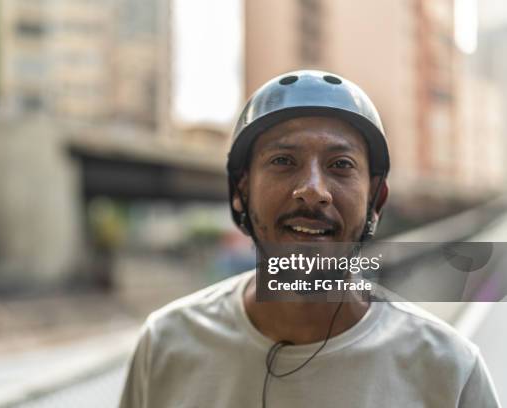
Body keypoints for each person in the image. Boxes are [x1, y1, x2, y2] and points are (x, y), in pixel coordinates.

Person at [118, 70, 501, 407]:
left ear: (376, 200)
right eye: (283, 161)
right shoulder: (165, 345)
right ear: (241, 191)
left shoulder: (450, 370)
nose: (313, 189)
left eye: (341, 165)